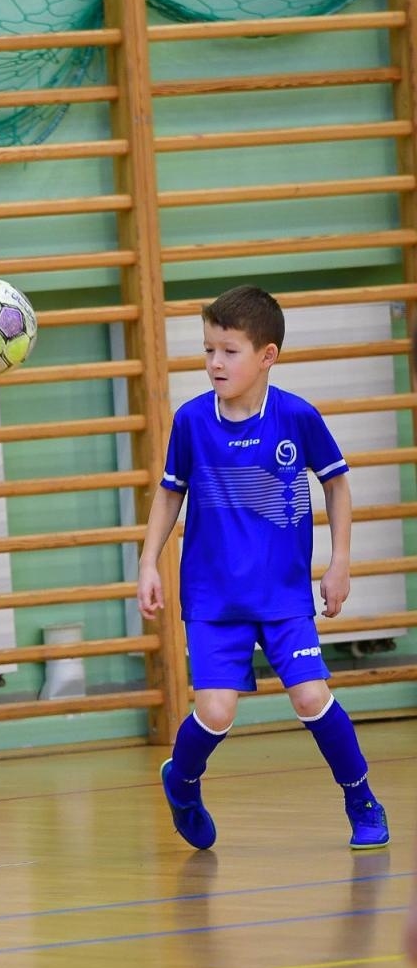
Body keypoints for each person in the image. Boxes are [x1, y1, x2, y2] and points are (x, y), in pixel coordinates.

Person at [137, 284, 387, 852]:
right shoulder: (192, 421)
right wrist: (148, 562)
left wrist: (339, 561)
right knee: (217, 712)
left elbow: (338, 486)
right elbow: (170, 494)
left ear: (267, 355)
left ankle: (361, 799)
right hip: (212, 597)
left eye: (228, 351)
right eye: (207, 351)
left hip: (282, 594)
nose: (215, 363)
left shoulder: (297, 417)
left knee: (310, 697)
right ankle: (183, 783)